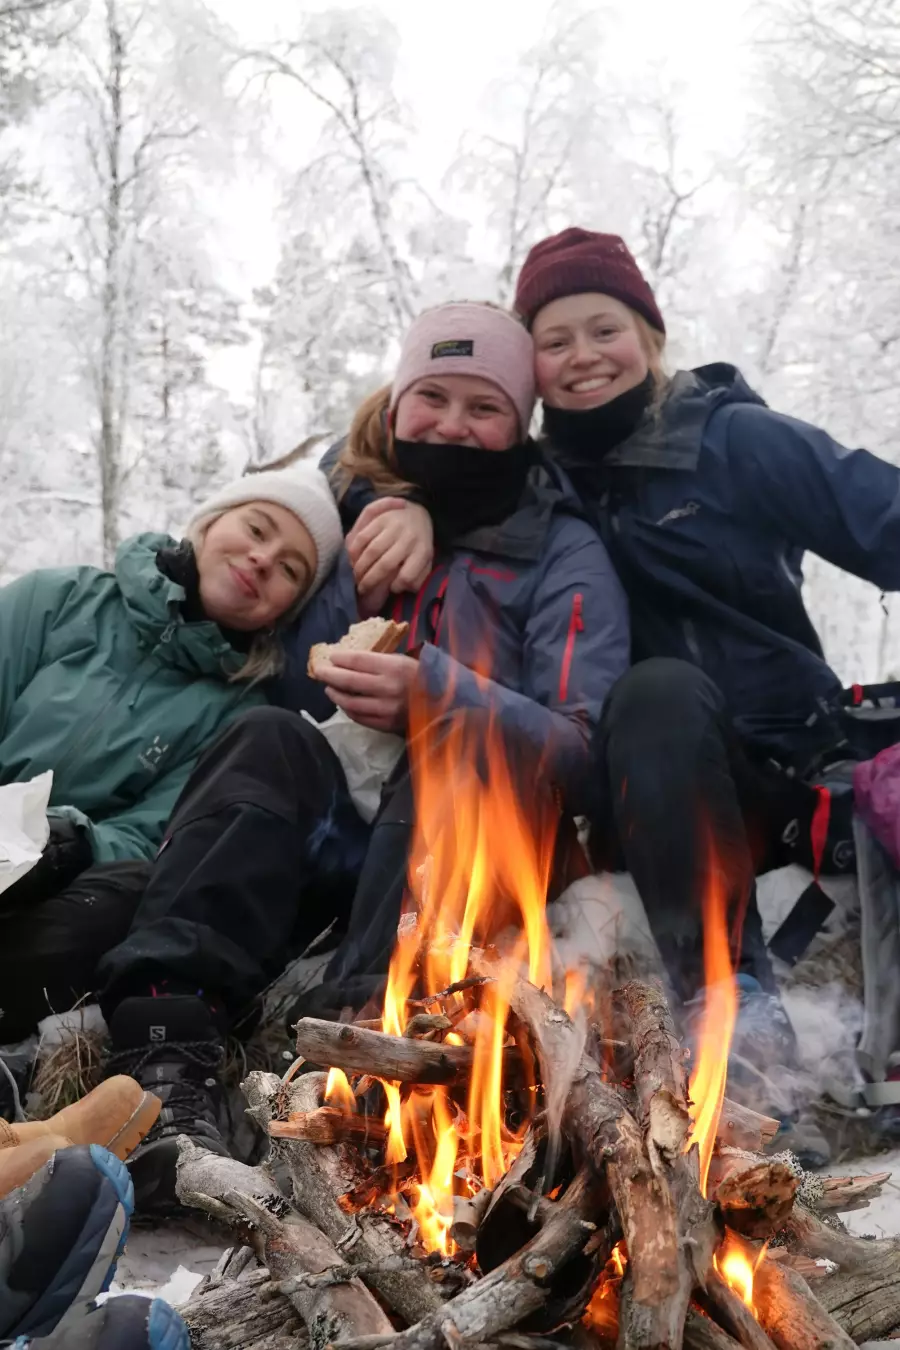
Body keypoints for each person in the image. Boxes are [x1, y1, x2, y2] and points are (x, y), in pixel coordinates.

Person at [94, 301, 629, 1214]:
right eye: (432, 397)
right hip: (335, 832)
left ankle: (367, 1059)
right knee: (265, 736)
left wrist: (439, 691)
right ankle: (165, 1061)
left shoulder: (562, 549)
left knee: (460, 741)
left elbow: (582, 745)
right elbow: (270, 632)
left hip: (472, 842)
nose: (451, 426)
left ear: (521, 425)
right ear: (397, 400)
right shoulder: (349, 510)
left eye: (484, 406)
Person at [0, 463, 343, 1042]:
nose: (263, 559)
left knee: (124, 905)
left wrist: (70, 841)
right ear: (208, 524)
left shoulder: (238, 717)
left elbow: (153, 838)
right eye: (256, 529)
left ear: (287, 609)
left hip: (62, 888)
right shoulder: (56, 599)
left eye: (290, 569)